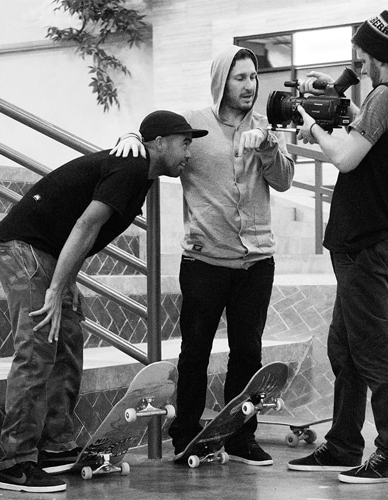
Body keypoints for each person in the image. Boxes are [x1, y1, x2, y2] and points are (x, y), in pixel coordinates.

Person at [0, 110, 207, 493]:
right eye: (185, 141)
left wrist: (66, 279)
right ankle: (15, 464)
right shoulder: (132, 167)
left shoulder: (138, 170)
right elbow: (86, 224)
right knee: (37, 349)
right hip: (25, 248)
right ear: (159, 143)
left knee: (68, 340)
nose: (189, 151)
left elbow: (81, 222)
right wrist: (57, 287)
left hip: (48, 254)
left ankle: (55, 447)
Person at [111, 46, 294, 466]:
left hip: (256, 261)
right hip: (204, 259)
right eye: (240, 78)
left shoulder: (264, 127)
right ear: (221, 82)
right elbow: (152, 135)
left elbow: (283, 180)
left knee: (248, 352)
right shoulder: (193, 123)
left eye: (253, 77)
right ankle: (186, 435)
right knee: (195, 351)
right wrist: (129, 137)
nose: (249, 86)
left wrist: (267, 146)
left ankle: (240, 437)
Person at [287, 7, 388, 484]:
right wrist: (345, 113)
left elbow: (347, 158)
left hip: (367, 242)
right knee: (344, 346)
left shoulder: (387, 94)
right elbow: (374, 141)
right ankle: (344, 443)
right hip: (367, 239)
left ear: (376, 55)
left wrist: (314, 129)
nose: (357, 65)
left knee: (372, 348)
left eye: (361, 56)